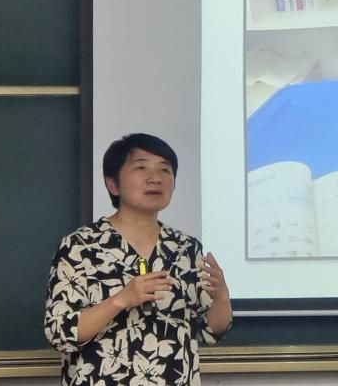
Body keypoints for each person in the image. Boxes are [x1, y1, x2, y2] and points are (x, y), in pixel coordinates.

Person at [44, 133, 232, 385]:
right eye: (141, 168)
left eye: (165, 170)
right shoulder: (80, 246)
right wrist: (121, 300)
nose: (155, 178)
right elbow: (60, 332)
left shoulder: (185, 248)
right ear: (113, 184)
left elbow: (209, 331)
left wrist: (221, 298)